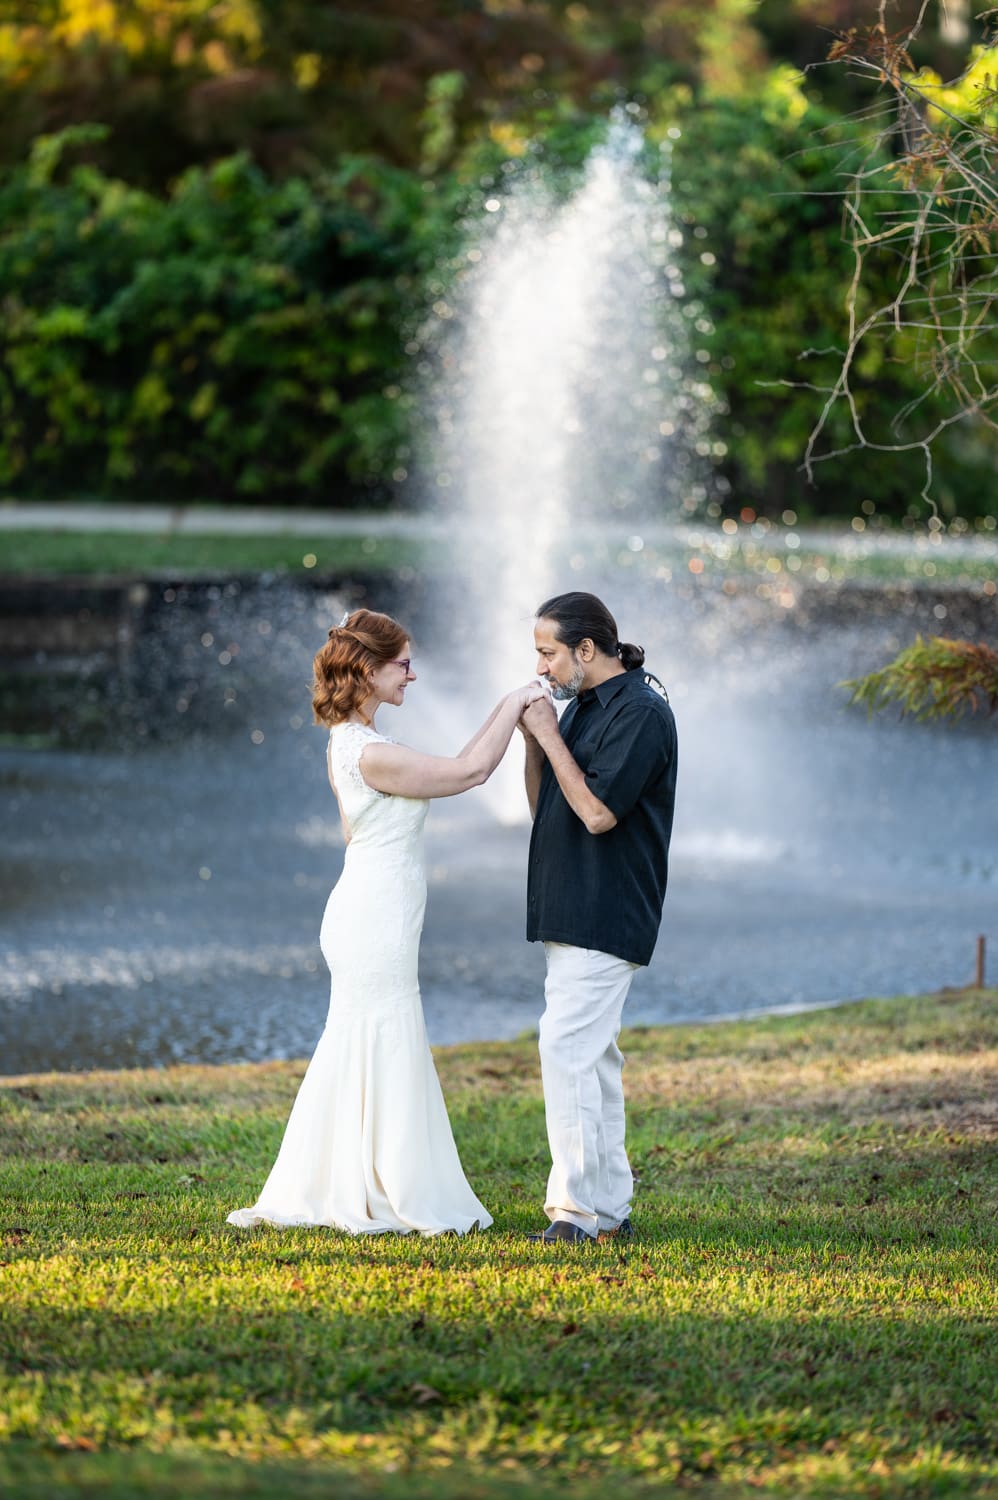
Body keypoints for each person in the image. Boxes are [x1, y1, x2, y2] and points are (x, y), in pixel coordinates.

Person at [228, 607, 545, 1236]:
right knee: (382, 1032)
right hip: (374, 918)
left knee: (362, 1038)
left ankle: (357, 1177)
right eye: (403, 664)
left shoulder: (349, 745)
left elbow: (364, 828)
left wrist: (506, 708)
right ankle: (384, 1187)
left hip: (367, 907)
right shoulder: (371, 754)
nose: (412, 676)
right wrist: (515, 703)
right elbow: (469, 772)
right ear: (368, 670)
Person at [518, 591, 678, 1246]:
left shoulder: (642, 710)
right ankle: (609, 1210)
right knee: (591, 1056)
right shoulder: (581, 707)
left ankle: (578, 1215)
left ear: (586, 649)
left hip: (606, 903)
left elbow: (597, 814)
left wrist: (549, 733)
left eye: (548, 653)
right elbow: (545, 805)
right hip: (569, 902)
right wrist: (538, 740)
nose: (542, 668)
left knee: (569, 1050)